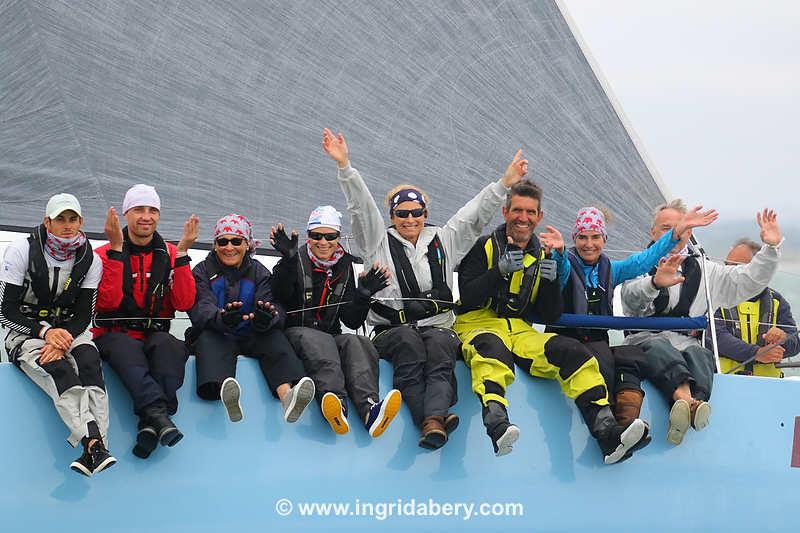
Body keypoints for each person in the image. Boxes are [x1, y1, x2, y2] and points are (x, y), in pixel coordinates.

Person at [323, 127, 528, 449]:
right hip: (393, 330)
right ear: (391, 216)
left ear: (425, 214)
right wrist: (344, 167)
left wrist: (504, 184)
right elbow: (361, 209)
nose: (409, 219)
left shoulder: (445, 240)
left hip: (436, 326)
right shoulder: (376, 241)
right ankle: (432, 417)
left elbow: (474, 215)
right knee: (408, 343)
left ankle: (432, 421)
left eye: (416, 213)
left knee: (440, 348)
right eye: (401, 214)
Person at [454, 181, 648, 463]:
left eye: (530, 212)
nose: (523, 217)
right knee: (491, 349)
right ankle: (497, 424)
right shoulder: (483, 246)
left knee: (574, 352)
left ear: (539, 217)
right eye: (517, 210)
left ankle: (607, 432)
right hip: (477, 324)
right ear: (505, 212)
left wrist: (550, 280)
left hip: (520, 330)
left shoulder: (543, 253)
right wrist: (499, 271)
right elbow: (468, 297)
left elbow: (548, 315)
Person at [542, 205, 717, 431]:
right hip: (568, 343)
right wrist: (558, 253)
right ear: (574, 239)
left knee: (630, 355)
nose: (589, 244)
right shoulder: (567, 262)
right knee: (603, 358)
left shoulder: (611, 270)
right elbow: (562, 270)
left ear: (604, 239)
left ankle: (632, 422)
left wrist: (675, 234)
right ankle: (611, 428)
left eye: (595, 237)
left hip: (596, 342)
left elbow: (645, 260)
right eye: (582, 237)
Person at [621, 201, 783, 445]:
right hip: (644, 341)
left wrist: (770, 249)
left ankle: (688, 408)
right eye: (666, 228)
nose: (672, 234)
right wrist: (654, 283)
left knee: (701, 353)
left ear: (690, 233)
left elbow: (747, 281)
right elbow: (630, 298)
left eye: (680, 228)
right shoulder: (637, 265)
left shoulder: (707, 272)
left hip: (686, 344)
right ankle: (689, 403)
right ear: (653, 233)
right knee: (659, 347)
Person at [0, 194, 115, 476]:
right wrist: (46, 332)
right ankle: (93, 442)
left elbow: (83, 316)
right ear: (47, 222)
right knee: (59, 368)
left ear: (81, 222)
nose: (67, 225)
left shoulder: (90, 260)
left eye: (72, 219)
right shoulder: (20, 251)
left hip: (68, 331)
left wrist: (62, 338)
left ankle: (96, 447)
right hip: (25, 332)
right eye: (60, 219)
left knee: (88, 360)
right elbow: (6, 312)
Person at [270, 206, 401, 437]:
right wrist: (288, 262)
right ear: (308, 237)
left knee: (357, 342)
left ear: (338, 238)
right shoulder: (294, 258)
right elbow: (279, 294)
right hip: (295, 333)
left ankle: (370, 408)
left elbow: (351, 320)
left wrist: (363, 296)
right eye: (316, 236)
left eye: (330, 236)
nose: (323, 242)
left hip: (330, 335)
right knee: (319, 340)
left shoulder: (345, 266)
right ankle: (336, 404)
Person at [92, 184, 198, 459]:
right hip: (114, 334)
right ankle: (158, 416)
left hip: (154, 333)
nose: (146, 216)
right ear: (126, 214)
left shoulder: (172, 254)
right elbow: (107, 304)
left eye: (153, 210)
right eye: (139, 209)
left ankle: (150, 425)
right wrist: (117, 251)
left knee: (171, 347)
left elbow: (185, 303)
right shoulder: (104, 254)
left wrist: (184, 252)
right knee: (127, 349)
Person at [186, 214, 315, 424]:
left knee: (273, 337)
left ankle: (287, 396)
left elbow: (273, 304)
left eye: (236, 241)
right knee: (211, 338)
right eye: (222, 241)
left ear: (247, 244)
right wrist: (221, 318)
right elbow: (200, 305)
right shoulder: (201, 270)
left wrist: (267, 318)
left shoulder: (259, 271)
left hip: (251, 333)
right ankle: (225, 393)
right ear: (215, 246)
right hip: (219, 331)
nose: (229, 247)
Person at [708, 238, 799, 377]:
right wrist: (756, 353)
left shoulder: (777, 301)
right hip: (723, 383)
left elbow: (795, 343)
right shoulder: (713, 297)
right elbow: (716, 337)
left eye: (736, 267)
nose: (728, 272)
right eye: (726, 266)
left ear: (758, 270)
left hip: (769, 386)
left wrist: (782, 339)